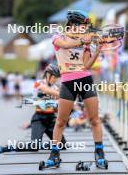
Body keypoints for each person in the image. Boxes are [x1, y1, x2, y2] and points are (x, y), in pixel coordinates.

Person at [44, 10, 107, 169]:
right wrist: (83, 41)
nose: (85, 28)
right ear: (73, 25)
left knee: (94, 119)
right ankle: (54, 154)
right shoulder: (58, 37)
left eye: (86, 27)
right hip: (68, 81)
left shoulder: (85, 41)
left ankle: (99, 152)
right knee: (61, 121)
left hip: (85, 79)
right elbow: (65, 45)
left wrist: (97, 50)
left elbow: (86, 65)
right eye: (83, 26)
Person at [0, 64, 66, 153]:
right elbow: (45, 89)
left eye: (57, 78)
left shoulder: (55, 87)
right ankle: (10, 147)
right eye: (55, 77)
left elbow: (57, 106)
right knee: (34, 147)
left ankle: (42, 144)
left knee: (63, 145)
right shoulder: (39, 83)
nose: (56, 80)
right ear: (48, 75)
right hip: (39, 119)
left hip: (51, 119)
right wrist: (62, 95)